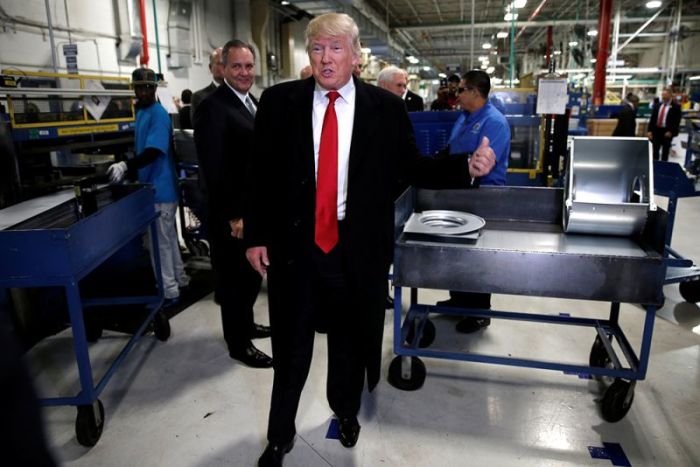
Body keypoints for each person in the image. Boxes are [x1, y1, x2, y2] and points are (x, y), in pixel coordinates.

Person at [244, 13, 496, 467]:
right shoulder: (279, 103)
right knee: (291, 347)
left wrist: (465, 168)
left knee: (348, 341)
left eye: (336, 48)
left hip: (354, 250)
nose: (326, 58)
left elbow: (411, 167)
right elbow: (260, 176)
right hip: (295, 251)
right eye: (318, 48)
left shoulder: (386, 108)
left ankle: (346, 411)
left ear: (356, 56)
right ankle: (279, 436)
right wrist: (256, 236)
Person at [193, 40, 272, 368]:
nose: (244, 72)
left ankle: (247, 324)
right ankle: (238, 343)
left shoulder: (252, 102)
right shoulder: (214, 106)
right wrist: (234, 215)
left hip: (253, 210)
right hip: (233, 215)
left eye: (249, 66)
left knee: (252, 275)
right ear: (223, 68)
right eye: (237, 66)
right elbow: (214, 167)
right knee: (234, 280)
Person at [437, 69, 511, 334]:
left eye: (461, 89)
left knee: (477, 256)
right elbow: (454, 149)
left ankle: (479, 312)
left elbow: (484, 165)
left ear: (475, 93)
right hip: (459, 192)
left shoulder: (494, 122)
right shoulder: (465, 117)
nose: (457, 94)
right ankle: (459, 299)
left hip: (482, 195)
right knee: (457, 251)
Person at [106, 68, 188, 306]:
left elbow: (153, 151)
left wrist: (126, 165)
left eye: (146, 88)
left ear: (154, 89)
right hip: (152, 186)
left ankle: (169, 292)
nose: (142, 92)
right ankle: (179, 279)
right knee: (168, 239)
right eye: (138, 88)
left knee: (159, 243)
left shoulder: (158, 114)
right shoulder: (142, 113)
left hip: (160, 189)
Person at [647, 87, 681, 161]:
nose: (663, 97)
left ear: (670, 95)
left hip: (667, 132)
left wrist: (671, 132)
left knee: (665, 152)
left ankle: (663, 167)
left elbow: (677, 121)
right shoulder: (658, 105)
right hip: (656, 131)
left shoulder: (676, 107)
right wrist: (649, 131)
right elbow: (652, 119)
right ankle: (654, 166)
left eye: (665, 95)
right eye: (662, 95)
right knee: (655, 151)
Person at [191, 47, 224, 122]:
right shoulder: (199, 97)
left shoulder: (239, 95)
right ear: (210, 67)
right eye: (220, 63)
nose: (224, 67)